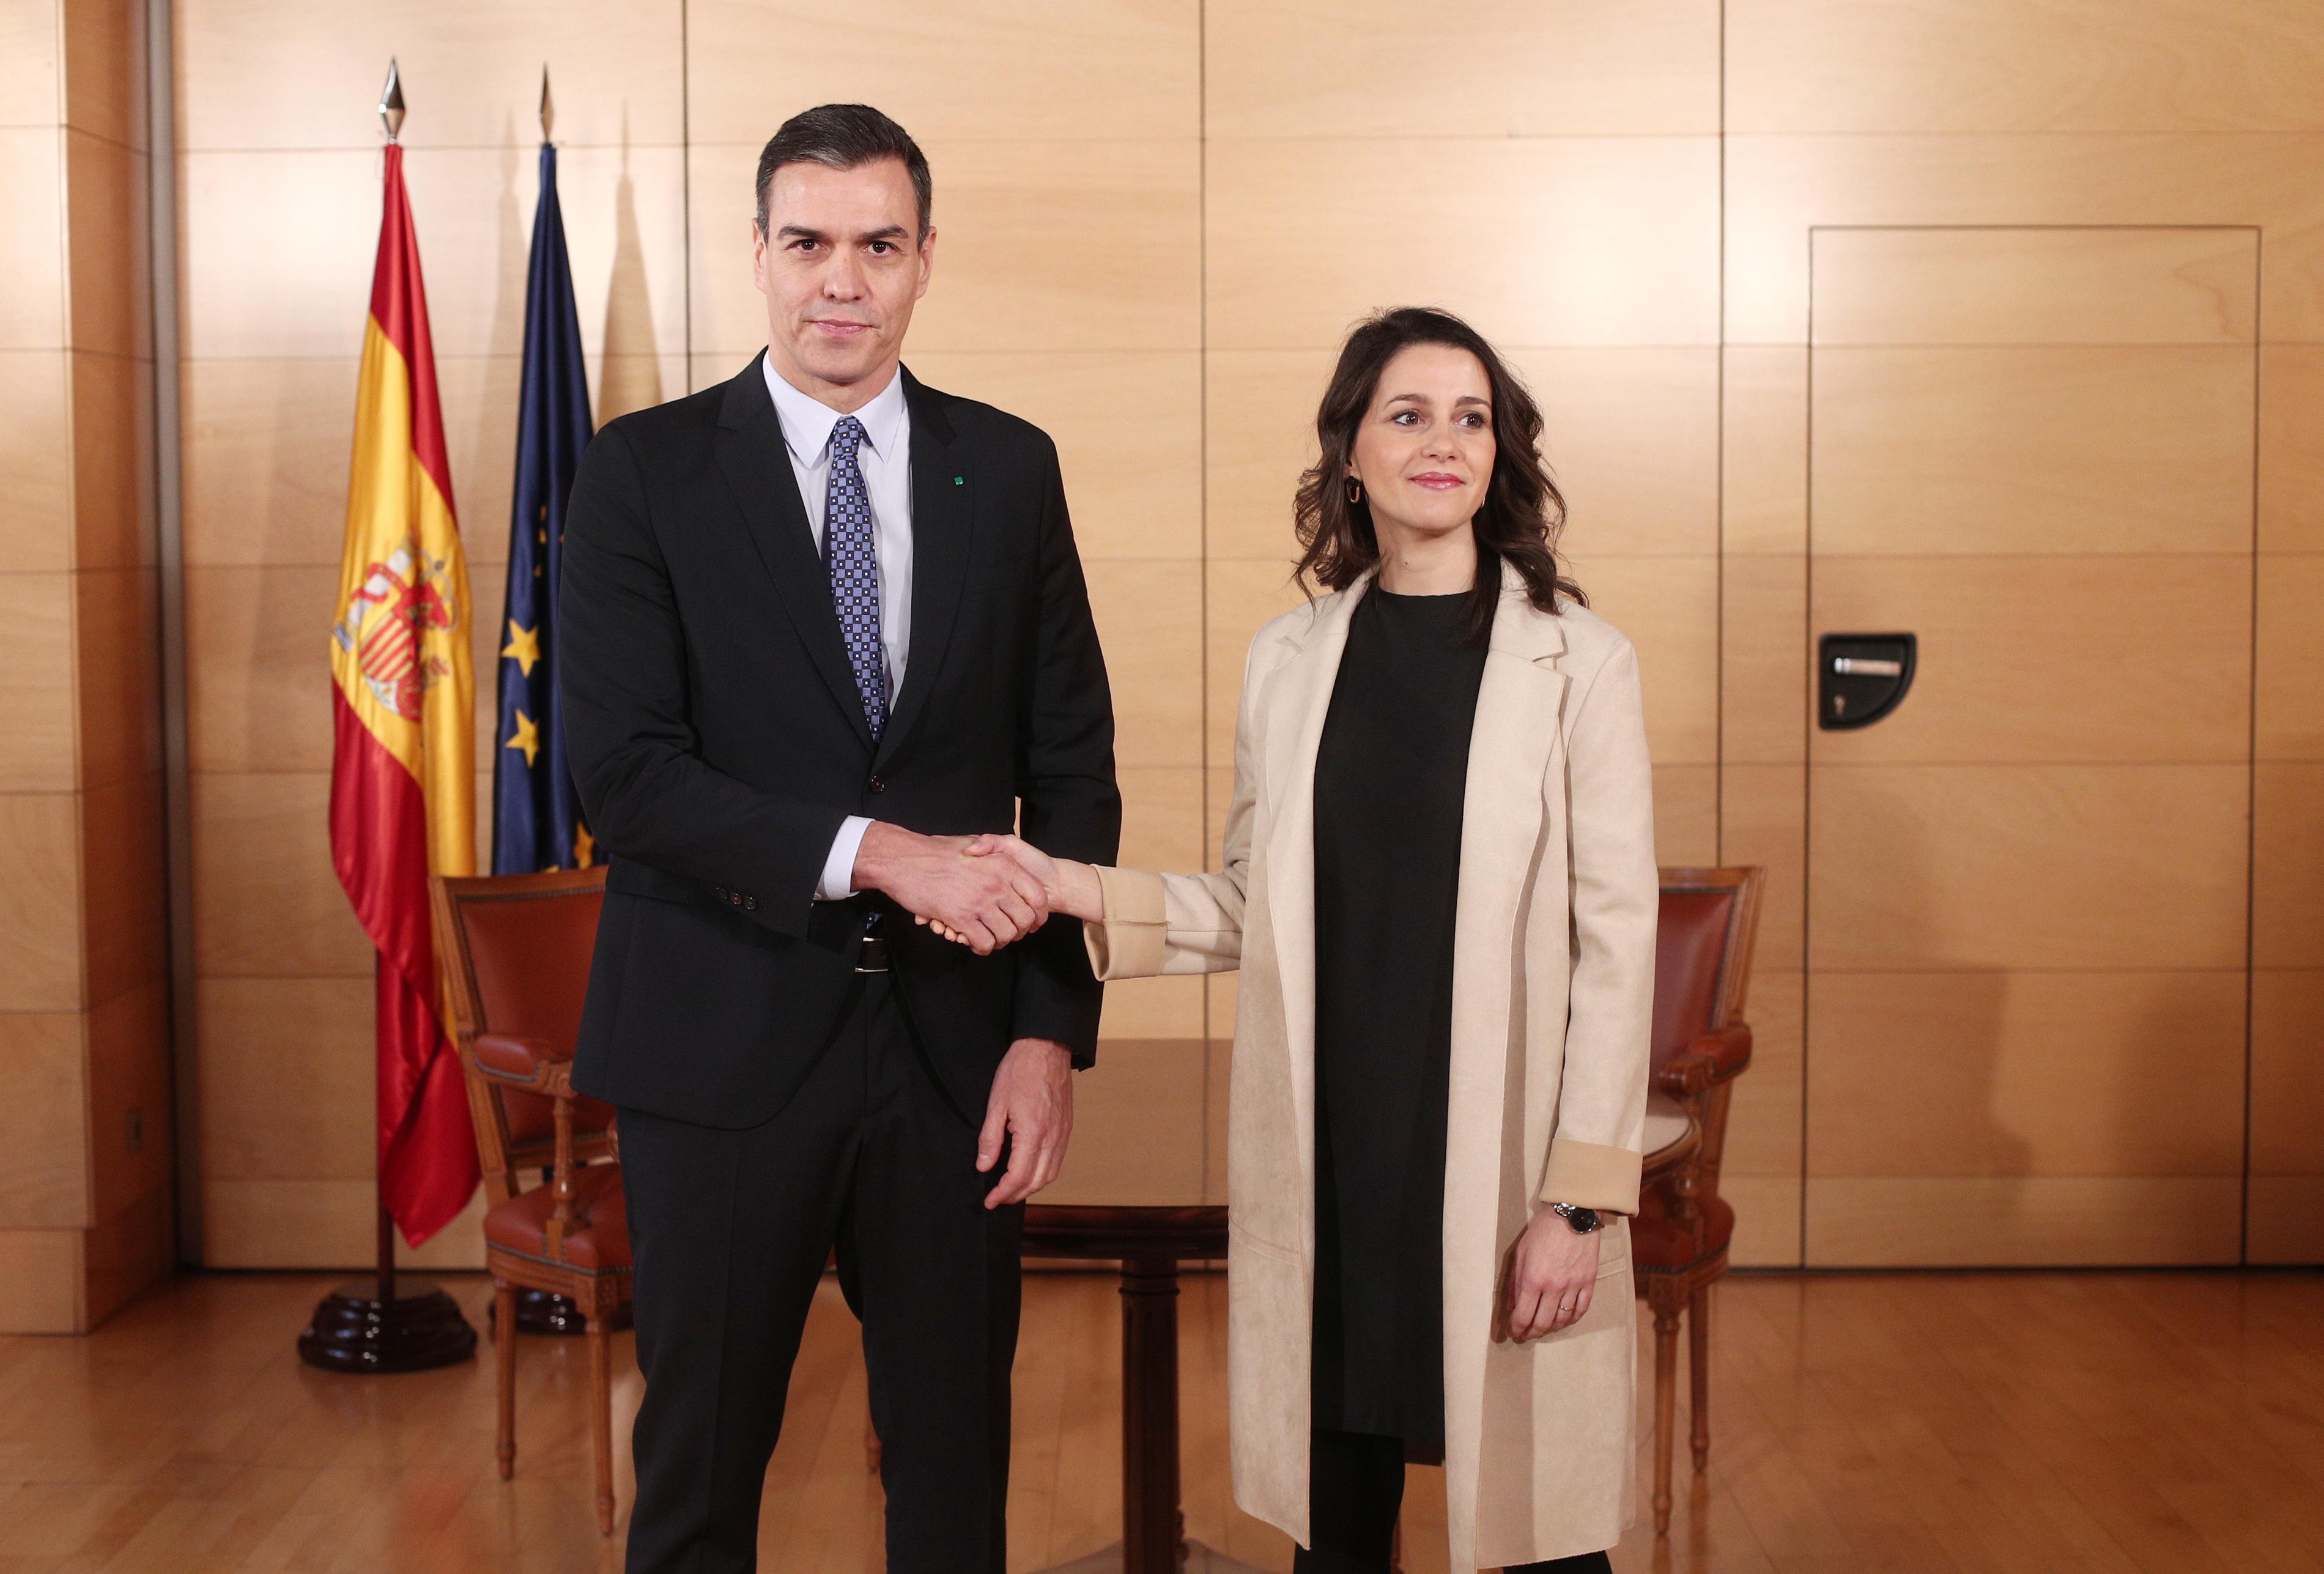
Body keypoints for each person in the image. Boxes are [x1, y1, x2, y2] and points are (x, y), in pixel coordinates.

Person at [948, 307, 1656, 1572]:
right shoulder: (1287, 661)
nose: (1443, 441)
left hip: (1502, 1162)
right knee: (1335, 1529)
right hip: (1331, 1154)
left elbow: (1617, 944)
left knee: (1547, 1536)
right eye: (1408, 414)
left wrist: (1580, 1205)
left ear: (1502, 455)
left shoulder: (1581, 664)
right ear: (1351, 455)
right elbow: (1245, 905)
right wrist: (1073, 886)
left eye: (1471, 417)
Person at [557, 103, 1119, 1574]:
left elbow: (1072, 774)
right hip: (716, 1044)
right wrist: (885, 851)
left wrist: (1048, 1033)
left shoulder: (1008, 468)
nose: (840, 282)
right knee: (698, 1482)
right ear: (756, 252)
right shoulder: (645, 473)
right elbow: (622, 775)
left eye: (879, 246)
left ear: (925, 261)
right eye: (807, 242)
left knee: (954, 1481)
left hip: (957, 1062)